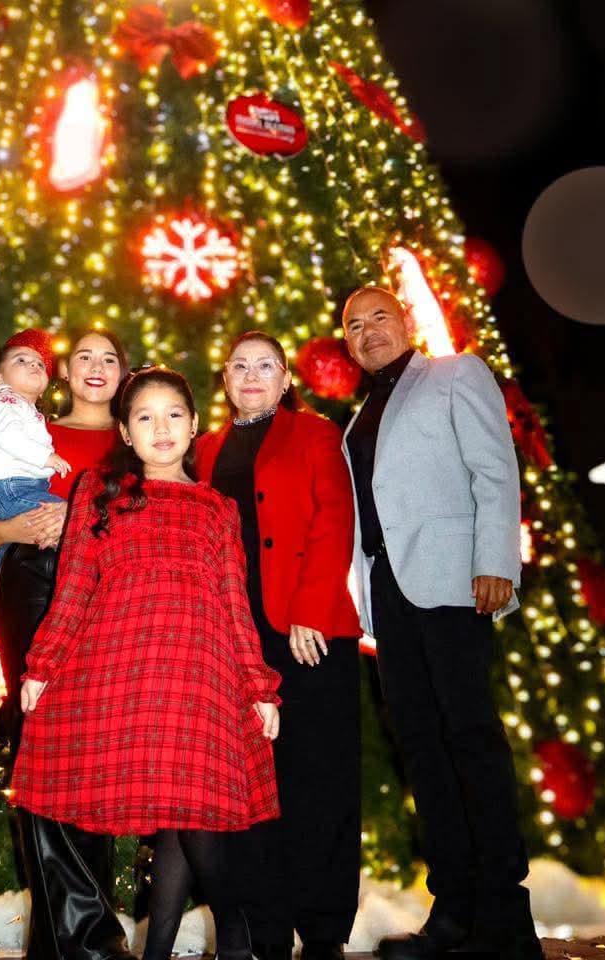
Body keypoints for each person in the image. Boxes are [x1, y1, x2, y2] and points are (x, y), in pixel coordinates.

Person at [12, 366, 281, 960]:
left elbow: (235, 602)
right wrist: (43, 664)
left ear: (194, 424)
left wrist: (260, 686)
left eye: (174, 415)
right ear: (126, 433)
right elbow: (73, 587)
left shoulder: (218, 507)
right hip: (127, 668)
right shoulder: (98, 491)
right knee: (176, 812)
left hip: (203, 673)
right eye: (145, 417)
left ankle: (234, 932)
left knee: (196, 808)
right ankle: (162, 951)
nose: (161, 428)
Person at [340, 286, 541, 960]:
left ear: (405, 322)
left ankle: (505, 919)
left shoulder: (456, 374)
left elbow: (495, 470)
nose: (369, 331)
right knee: (422, 751)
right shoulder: (357, 416)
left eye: (380, 317)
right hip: (390, 596)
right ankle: (453, 911)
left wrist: (496, 562)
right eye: (354, 325)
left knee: (471, 740)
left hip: (455, 582)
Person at [196, 332, 362, 960]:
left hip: (309, 632)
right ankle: (264, 926)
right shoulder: (204, 449)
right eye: (239, 365)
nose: (251, 374)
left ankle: (323, 930)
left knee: (320, 779)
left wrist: (309, 611)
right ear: (225, 379)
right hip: (235, 639)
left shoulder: (315, 433)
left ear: (286, 377)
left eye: (265, 365)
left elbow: (334, 518)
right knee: (249, 787)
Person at [0, 329, 133, 960]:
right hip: (33, 583)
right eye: (84, 356)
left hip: (110, 592)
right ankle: (81, 935)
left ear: (123, 373)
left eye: (109, 358)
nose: (96, 366)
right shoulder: (30, 426)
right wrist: (22, 526)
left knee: (97, 750)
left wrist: (81, 520)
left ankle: (71, 935)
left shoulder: (134, 438)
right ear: (63, 371)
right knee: (38, 741)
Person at [0, 329, 71, 569]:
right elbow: (8, 436)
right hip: (10, 487)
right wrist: (46, 457)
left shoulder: (25, 407)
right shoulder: (6, 400)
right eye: (21, 360)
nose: (34, 365)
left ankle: (9, 572)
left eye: (40, 364)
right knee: (71, 519)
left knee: (24, 539)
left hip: (17, 487)